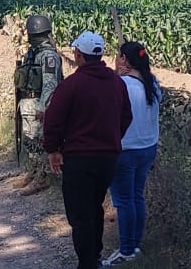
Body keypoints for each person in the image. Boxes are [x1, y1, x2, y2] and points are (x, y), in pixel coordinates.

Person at [42, 31, 132, 269]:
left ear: (78, 54)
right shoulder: (117, 83)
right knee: (94, 206)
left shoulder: (71, 85)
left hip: (79, 159)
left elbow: (53, 121)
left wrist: (53, 150)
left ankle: (87, 262)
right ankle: (95, 256)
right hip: (107, 159)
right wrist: (111, 138)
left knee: (80, 214)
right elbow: (126, 117)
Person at [103, 41, 162, 266]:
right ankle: (135, 245)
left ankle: (126, 250)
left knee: (123, 200)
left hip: (125, 150)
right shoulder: (152, 83)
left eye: (118, 57)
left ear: (124, 60)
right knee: (136, 196)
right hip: (148, 147)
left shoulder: (121, 84)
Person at [13, 13, 63, 195]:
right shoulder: (33, 53)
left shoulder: (49, 56)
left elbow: (50, 84)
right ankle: (32, 172)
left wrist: (43, 107)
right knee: (29, 141)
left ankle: (42, 178)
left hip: (38, 103)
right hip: (28, 102)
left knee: (39, 141)